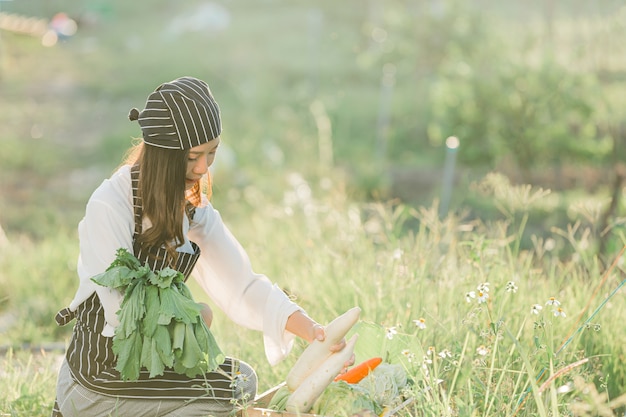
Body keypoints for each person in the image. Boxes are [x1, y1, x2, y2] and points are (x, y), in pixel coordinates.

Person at [52, 76, 348, 417]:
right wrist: (197, 318)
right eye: (194, 156)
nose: (204, 167)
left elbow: (243, 285)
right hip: (99, 378)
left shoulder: (191, 209)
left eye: (212, 153)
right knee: (226, 394)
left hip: (150, 368)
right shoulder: (110, 205)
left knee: (240, 381)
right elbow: (124, 316)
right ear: (165, 155)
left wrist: (313, 331)